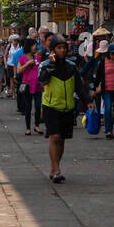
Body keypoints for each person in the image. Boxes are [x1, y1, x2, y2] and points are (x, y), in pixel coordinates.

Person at [38, 37, 81, 182]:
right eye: (59, 48)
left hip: (68, 107)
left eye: (64, 47)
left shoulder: (71, 66)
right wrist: (51, 64)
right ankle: (56, 170)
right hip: (51, 107)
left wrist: (87, 101)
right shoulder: (45, 65)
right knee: (54, 137)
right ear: (53, 50)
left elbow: (79, 86)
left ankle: (54, 167)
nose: (62, 50)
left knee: (61, 139)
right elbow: (42, 80)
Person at [89, 40, 114, 141]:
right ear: (110, 53)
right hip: (108, 90)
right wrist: (95, 87)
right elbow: (98, 76)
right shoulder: (103, 62)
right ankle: (108, 130)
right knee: (108, 109)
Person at [16, 38, 42, 134]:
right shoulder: (22, 58)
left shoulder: (38, 58)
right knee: (28, 106)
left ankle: (37, 125)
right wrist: (27, 63)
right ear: (29, 46)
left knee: (38, 105)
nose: (36, 47)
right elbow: (19, 70)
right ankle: (28, 128)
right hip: (27, 85)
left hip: (38, 85)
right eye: (34, 45)